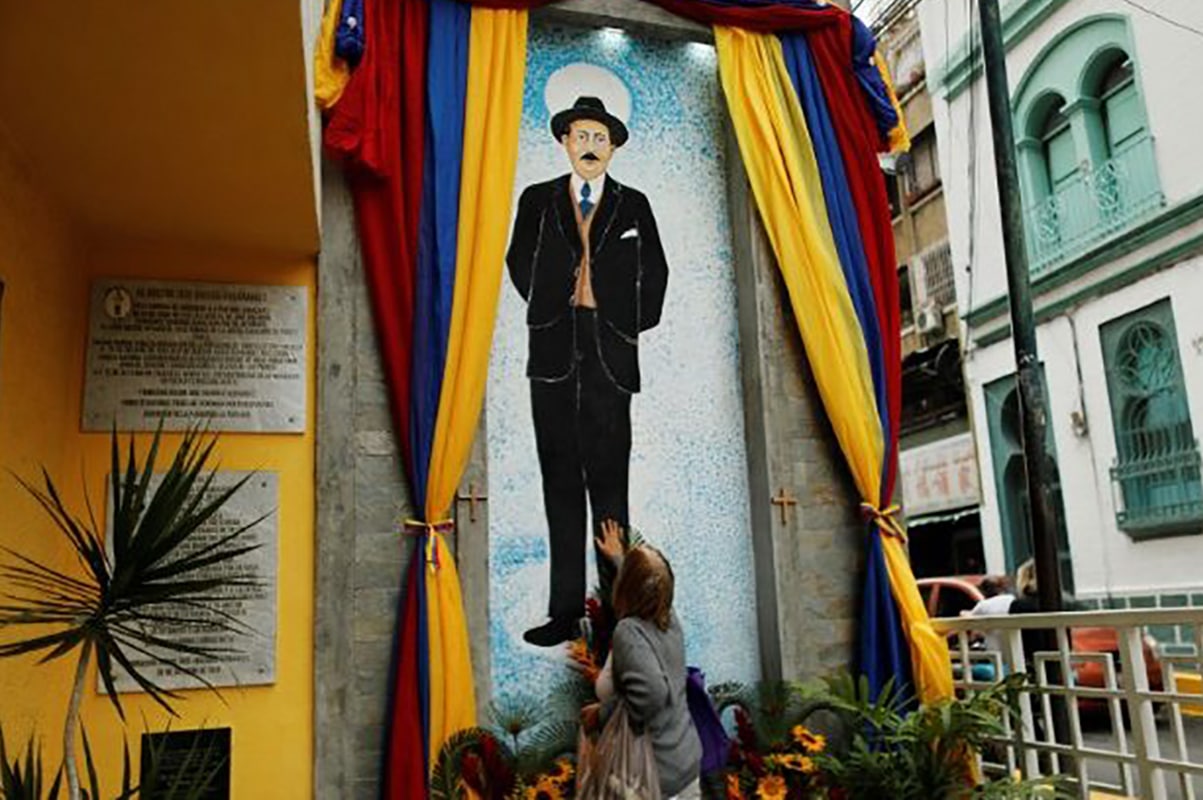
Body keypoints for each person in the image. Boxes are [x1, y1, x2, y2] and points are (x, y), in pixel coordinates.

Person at [507, 96, 670, 647]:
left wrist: (625, 325)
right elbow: (516, 258)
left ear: (614, 146)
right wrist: (549, 306)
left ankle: (615, 612)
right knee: (559, 481)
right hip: (552, 352)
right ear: (564, 141)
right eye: (581, 136)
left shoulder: (635, 205)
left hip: (609, 355)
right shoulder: (537, 200)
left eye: (600, 138)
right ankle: (563, 612)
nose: (590, 146)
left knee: (609, 485)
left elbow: (657, 271)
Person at [584, 520, 701, 799]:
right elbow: (650, 585)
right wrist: (619, 560)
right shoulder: (668, 618)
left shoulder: (629, 631)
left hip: (652, 777)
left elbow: (651, 695)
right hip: (683, 764)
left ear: (626, 587)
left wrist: (600, 715)